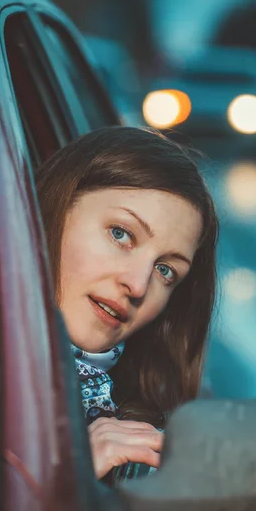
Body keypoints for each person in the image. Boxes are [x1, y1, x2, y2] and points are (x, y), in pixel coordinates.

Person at [35, 126, 218, 481]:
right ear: (54, 207)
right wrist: (64, 481)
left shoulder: (143, 428)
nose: (137, 285)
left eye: (165, 270)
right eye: (121, 234)